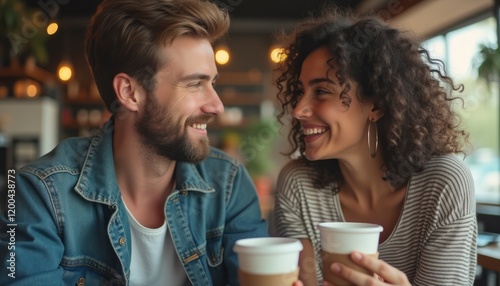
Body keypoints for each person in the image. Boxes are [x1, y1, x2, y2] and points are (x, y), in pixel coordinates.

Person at [0, 0, 270, 285]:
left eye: (212, 83)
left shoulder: (229, 184)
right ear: (129, 93)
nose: (217, 106)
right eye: (194, 84)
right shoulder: (37, 193)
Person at [273, 7, 477, 286]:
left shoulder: (442, 184)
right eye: (299, 92)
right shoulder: (298, 186)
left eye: (321, 91)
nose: (297, 110)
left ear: (377, 105)